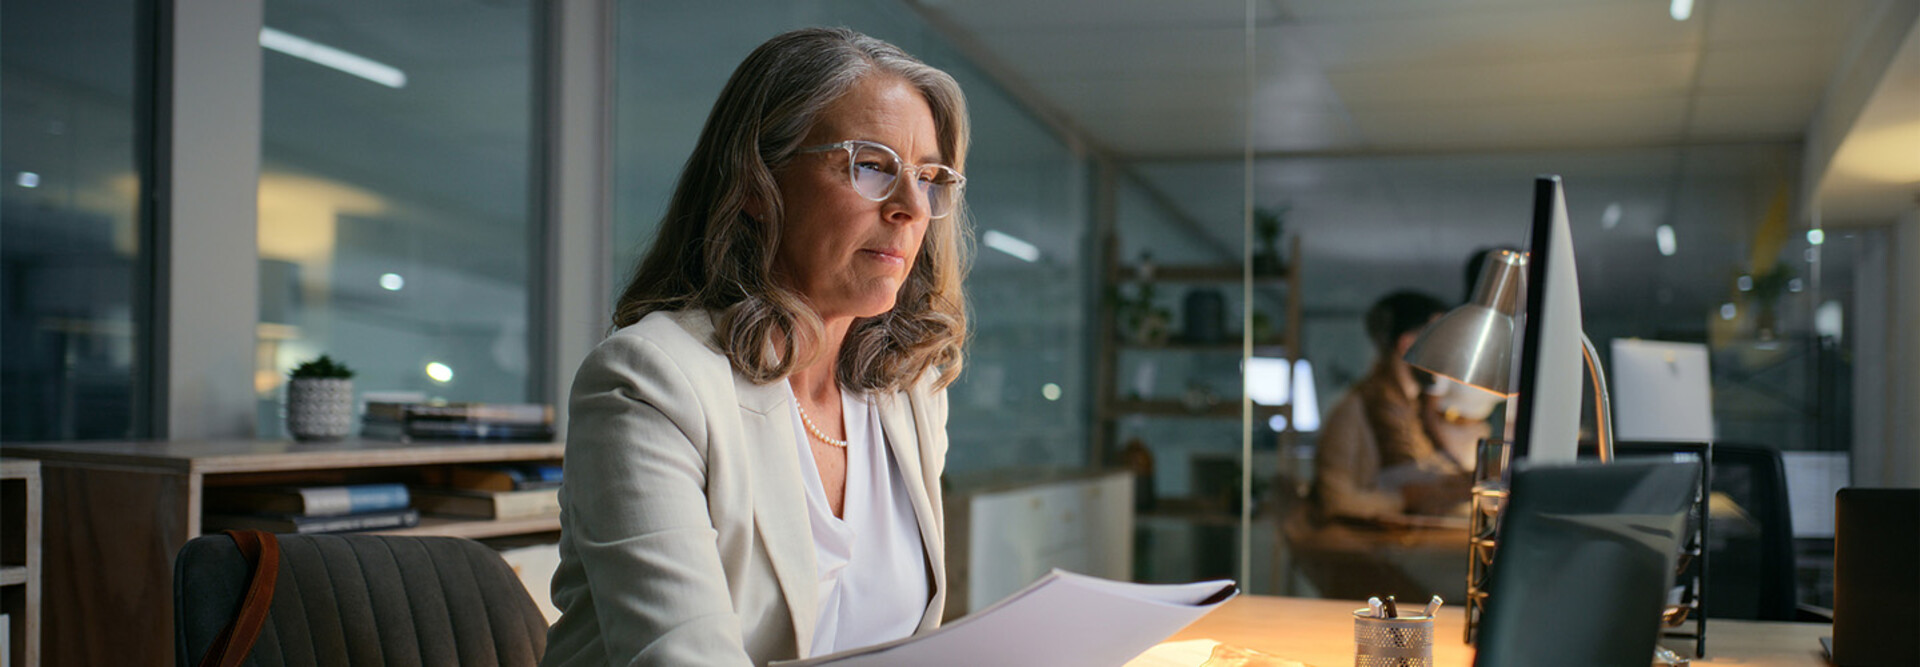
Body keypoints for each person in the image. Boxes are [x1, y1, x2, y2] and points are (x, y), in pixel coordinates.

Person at [542, 28, 971, 667]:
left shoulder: (908, 392)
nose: (912, 207)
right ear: (754, 183)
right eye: (873, 165)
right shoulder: (649, 382)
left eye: (930, 177)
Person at [1309, 290, 1471, 524]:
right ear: (1407, 345)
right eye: (1441, 344)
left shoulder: (1416, 410)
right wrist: (1403, 498)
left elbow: (1431, 474)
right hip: (1365, 552)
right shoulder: (1355, 409)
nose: (1448, 356)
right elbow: (1335, 501)